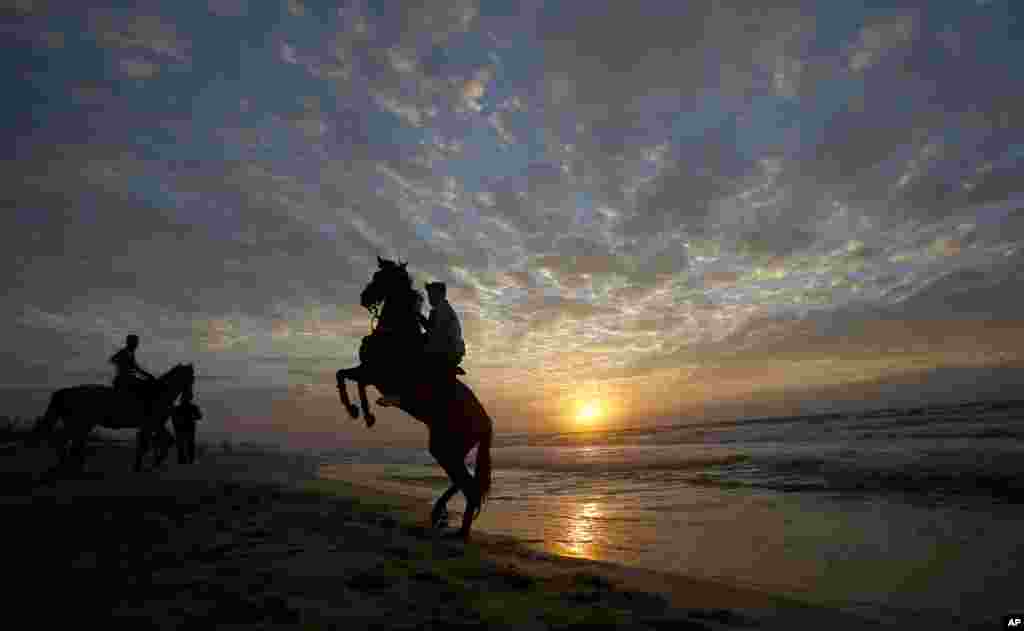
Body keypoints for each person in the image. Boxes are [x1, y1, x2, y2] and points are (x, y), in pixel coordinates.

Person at [378, 281, 465, 408]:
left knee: (412, 360)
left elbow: (434, 332)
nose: (430, 298)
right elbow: (432, 329)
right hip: (445, 347)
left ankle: (400, 396)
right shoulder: (439, 309)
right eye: (429, 295)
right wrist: (418, 315)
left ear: (441, 295)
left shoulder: (442, 310)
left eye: (432, 295)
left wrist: (417, 321)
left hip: (447, 350)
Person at [171, 393, 203, 464]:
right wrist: (192, 418)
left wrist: (176, 425)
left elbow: (173, 419)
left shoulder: (177, 408)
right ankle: (189, 460)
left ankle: (182, 460)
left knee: (182, 444)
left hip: (180, 428)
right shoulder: (193, 407)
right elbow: (199, 416)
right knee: (189, 444)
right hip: (188, 428)